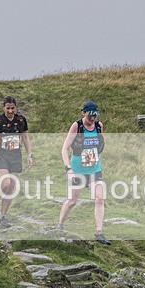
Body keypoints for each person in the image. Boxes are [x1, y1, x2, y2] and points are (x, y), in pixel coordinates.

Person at [58, 101, 110, 245]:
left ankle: (99, 233)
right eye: (89, 115)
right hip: (77, 171)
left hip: (94, 169)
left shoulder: (99, 126)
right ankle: (60, 225)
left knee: (99, 198)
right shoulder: (77, 126)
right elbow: (64, 149)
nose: (92, 118)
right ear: (83, 113)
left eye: (95, 115)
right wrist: (68, 169)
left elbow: (98, 146)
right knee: (72, 201)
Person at [0, 96, 33, 227]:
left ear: (15, 108)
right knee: (6, 183)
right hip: (1, 155)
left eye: (12, 108)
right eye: (8, 108)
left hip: (16, 156)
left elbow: (25, 138)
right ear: (3, 108)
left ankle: (2, 216)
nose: (10, 111)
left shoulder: (21, 120)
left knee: (12, 187)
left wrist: (29, 155)